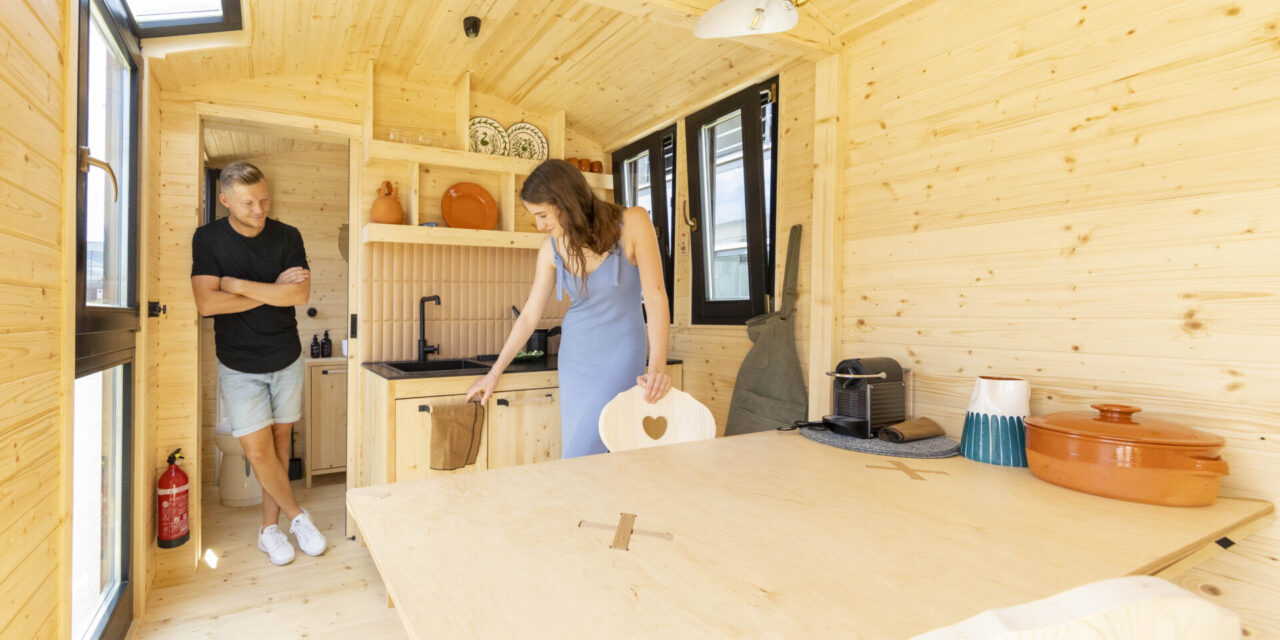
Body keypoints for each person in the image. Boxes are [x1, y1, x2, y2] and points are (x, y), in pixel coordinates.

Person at [466, 159, 672, 457]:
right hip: (576, 359)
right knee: (578, 450)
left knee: (609, 444)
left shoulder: (634, 223)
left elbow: (655, 298)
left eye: (542, 214)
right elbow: (528, 317)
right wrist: (495, 372)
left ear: (566, 202)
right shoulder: (551, 248)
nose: (540, 225)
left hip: (623, 354)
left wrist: (656, 369)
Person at [190, 161, 327, 566]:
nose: (259, 208)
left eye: (264, 199)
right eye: (249, 202)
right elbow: (206, 304)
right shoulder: (209, 239)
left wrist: (237, 285)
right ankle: (298, 517)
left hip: (285, 356)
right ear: (226, 199)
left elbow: (299, 297)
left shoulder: (288, 235)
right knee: (257, 452)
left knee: (281, 445)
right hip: (238, 364)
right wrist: (272, 292)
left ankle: (270, 530)